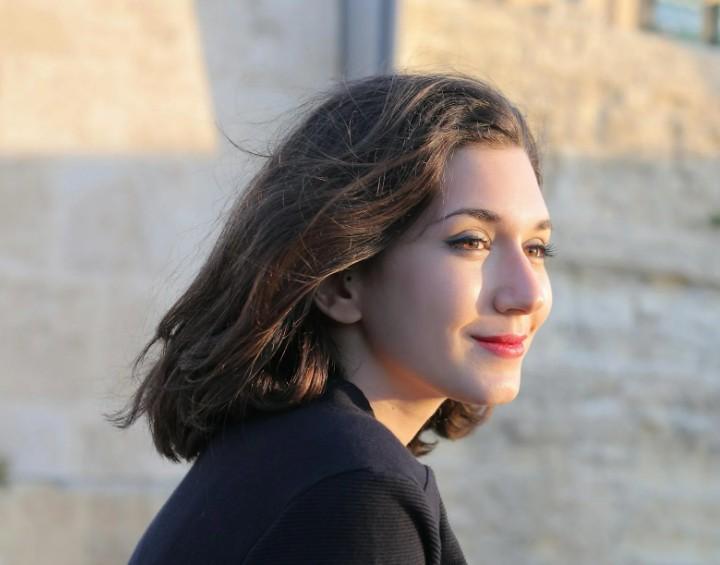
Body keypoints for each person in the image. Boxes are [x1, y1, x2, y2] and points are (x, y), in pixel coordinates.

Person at [111, 72, 555, 564]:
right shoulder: (353, 493)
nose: (528, 294)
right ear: (341, 282)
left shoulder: (292, 457)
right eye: (471, 242)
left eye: (537, 248)